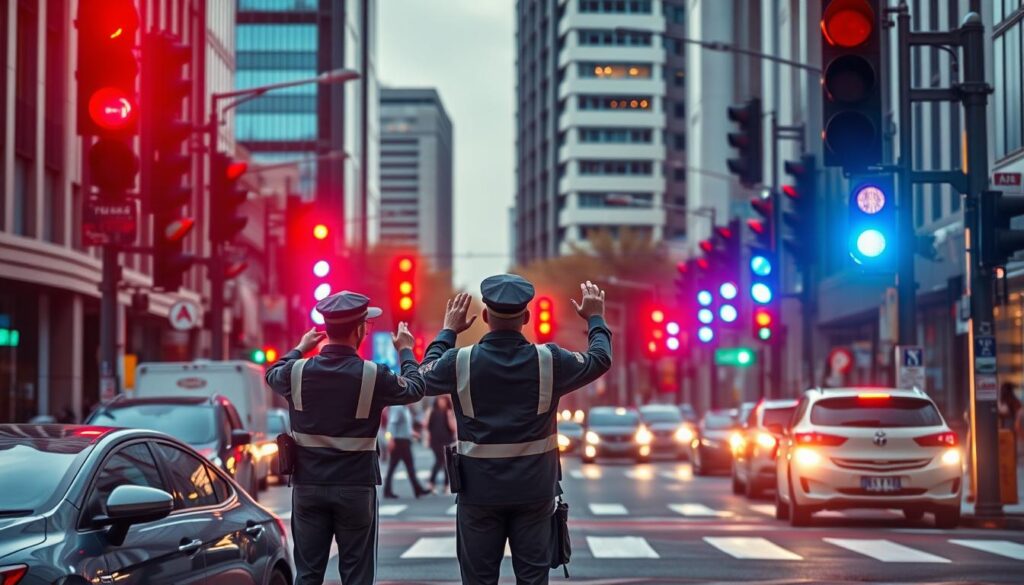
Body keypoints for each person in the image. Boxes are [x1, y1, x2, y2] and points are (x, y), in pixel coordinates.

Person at [419, 277, 612, 585]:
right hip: (535, 492)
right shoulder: (551, 361)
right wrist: (596, 318)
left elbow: (419, 378)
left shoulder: (460, 362)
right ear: (526, 317)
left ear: (484, 317)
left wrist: (448, 332)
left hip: (478, 494)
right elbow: (601, 359)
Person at [264, 291, 425, 585]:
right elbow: (415, 387)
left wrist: (299, 349)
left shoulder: (296, 372)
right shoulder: (373, 375)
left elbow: (272, 373)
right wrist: (405, 350)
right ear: (360, 329)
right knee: (357, 577)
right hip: (355, 489)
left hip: (308, 487)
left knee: (309, 574)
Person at [383, 403, 430, 498]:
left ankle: (416, 489)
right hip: (399, 442)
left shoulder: (405, 409)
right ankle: (417, 489)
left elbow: (405, 426)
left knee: (402, 467)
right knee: (405, 467)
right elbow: (392, 424)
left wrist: (413, 434)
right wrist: (390, 440)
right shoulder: (398, 407)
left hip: (404, 440)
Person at [425, 395, 457, 492]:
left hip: (447, 440)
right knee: (440, 461)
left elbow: (453, 428)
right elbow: (427, 426)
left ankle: (444, 485)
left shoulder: (449, 412)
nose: (441, 402)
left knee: (446, 463)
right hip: (435, 441)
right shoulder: (432, 411)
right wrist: (427, 439)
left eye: (443, 400)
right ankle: (433, 483)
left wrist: (449, 416)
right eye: (440, 400)